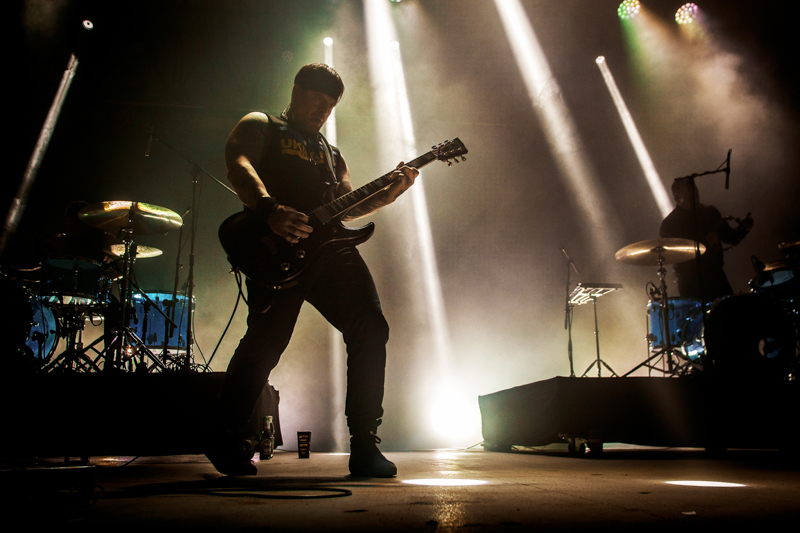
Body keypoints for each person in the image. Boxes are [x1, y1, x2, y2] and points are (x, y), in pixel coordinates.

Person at [207, 63, 418, 477]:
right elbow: (239, 164)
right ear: (296, 90)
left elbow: (347, 203)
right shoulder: (262, 123)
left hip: (330, 251)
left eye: (331, 105)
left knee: (371, 326)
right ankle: (224, 435)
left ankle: (364, 445)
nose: (324, 111)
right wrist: (269, 209)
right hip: (274, 247)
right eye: (318, 100)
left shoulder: (329, 151)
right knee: (267, 342)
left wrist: (388, 195)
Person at [659, 179, 753, 302]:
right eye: (690, 195)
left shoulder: (710, 212)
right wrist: (705, 242)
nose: (696, 198)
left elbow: (729, 237)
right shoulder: (670, 224)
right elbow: (675, 254)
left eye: (696, 193)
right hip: (691, 284)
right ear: (677, 199)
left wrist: (743, 229)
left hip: (716, 276)